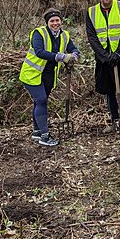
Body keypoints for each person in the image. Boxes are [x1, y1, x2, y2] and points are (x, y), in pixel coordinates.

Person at [19, 8, 79, 146]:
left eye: (57, 20)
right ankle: (45, 136)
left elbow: (73, 48)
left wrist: (74, 55)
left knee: (38, 102)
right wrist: (61, 56)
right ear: (47, 23)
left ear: (61, 21)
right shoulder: (39, 33)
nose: (55, 23)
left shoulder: (64, 35)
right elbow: (39, 52)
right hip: (32, 74)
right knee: (41, 100)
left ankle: (37, 132)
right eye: (52, 21)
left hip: (49, 74)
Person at [86, 0, 120, 133]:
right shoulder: (91, 12)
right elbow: (92, 37)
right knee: (109, 90)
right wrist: (105, 56)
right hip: (104, 58)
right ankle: (113, 120)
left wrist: (118, 52)